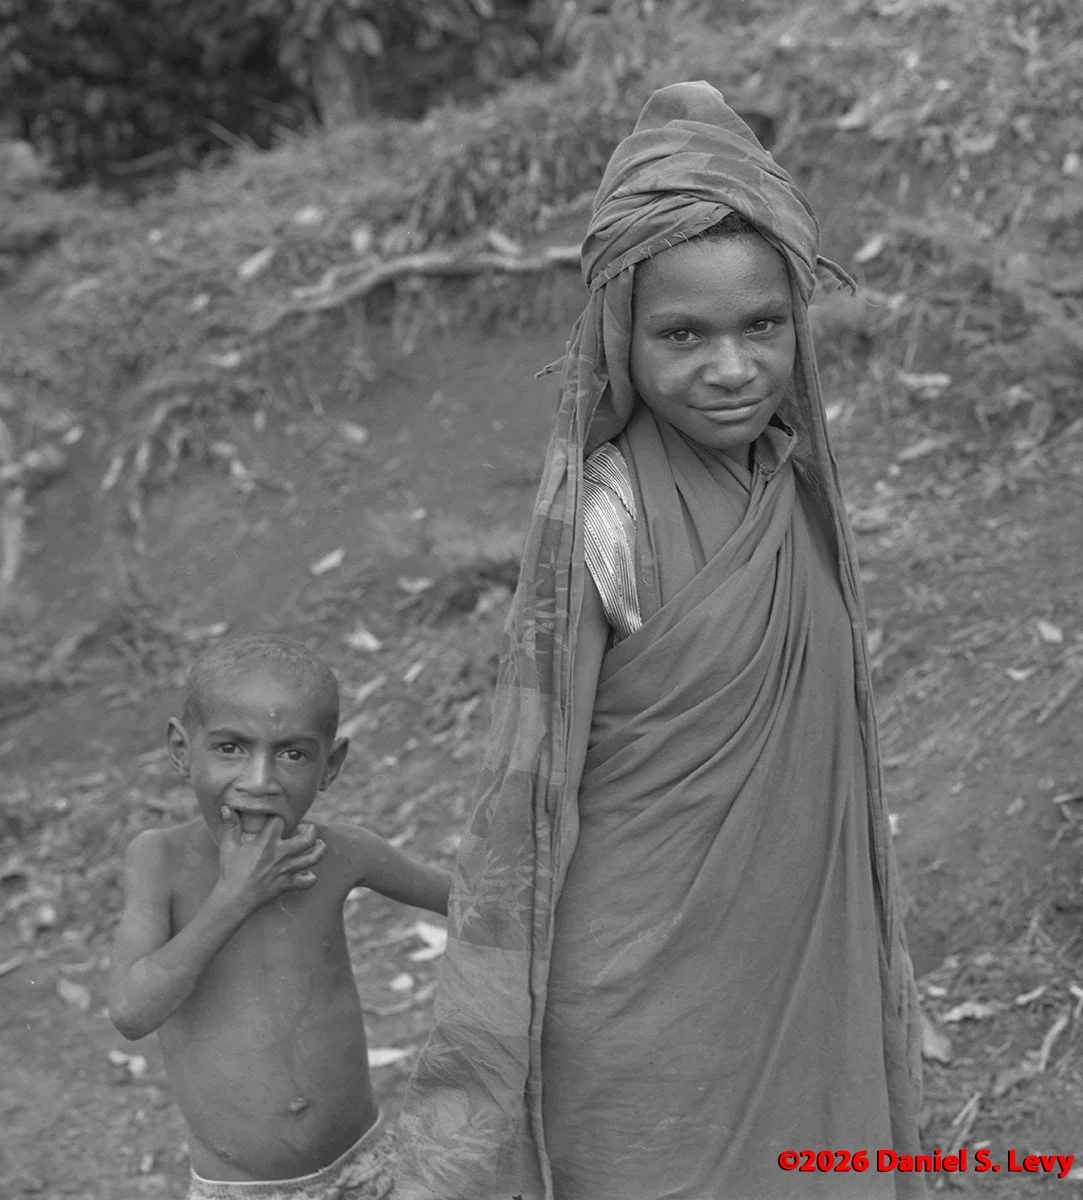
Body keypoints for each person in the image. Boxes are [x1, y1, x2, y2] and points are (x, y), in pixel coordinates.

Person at [394, 81, 926, 1200]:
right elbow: (534, 793)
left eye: (761, 326)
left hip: (793, 962)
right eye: (681, 334)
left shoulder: (790, 493)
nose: (730, 368)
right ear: (616, 336)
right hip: (638, 1001)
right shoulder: (606, 519)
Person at [107, 635, 451, 1200]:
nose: (260, 780)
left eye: (292, 753)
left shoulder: (344, 854)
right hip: (241, 1190)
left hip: (368, 1166)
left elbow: (474, 905)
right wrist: (234, 898)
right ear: (180, 750)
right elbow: (131, 1011)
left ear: (331, 764)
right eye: (230, 748)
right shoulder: (159, 860)